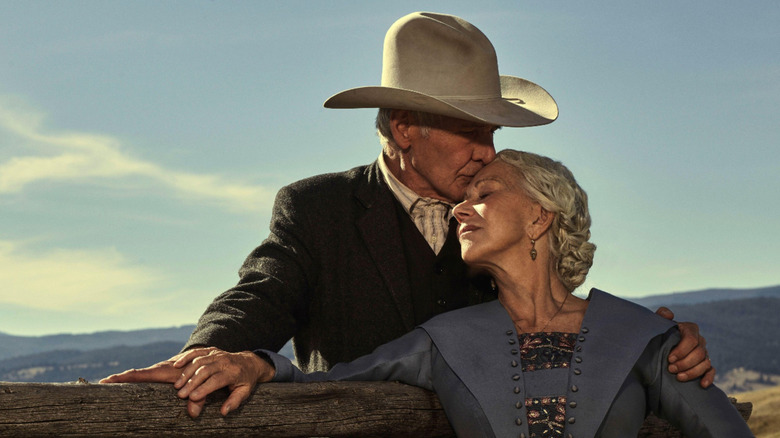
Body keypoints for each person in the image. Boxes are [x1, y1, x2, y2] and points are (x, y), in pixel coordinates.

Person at [101, 12, 714, 419]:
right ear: (404, 127)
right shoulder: (317, 209)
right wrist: (214, 354)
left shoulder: (498, 219)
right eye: (471, 130)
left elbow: (558, 314)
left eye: (492, 133)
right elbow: (259, 298)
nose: (487, 152)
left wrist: (659, 340)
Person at [174, 150, 751, 437]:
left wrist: (675, 337)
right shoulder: (443, 341)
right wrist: (246, 360)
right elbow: (323, 377)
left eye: (486, 193)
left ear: (539, 219)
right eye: (463, 196)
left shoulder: (643, 336)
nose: (459, 207)